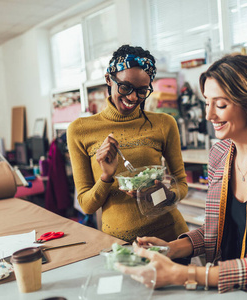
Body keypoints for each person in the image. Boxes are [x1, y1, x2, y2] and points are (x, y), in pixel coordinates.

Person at [117, 53, 247, 299]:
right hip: (230, 290)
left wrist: (183, 275)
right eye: (207, 102)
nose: (209, 115)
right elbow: (216, 230)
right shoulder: (220, 153)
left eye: (220, 105)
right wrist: (171, 248)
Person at [67, 45, 189, 243]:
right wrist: (106, 177)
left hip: (169, 239)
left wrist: (162, 195)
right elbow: (87, 206)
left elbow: (181, 184)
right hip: (121, 244)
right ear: (108, 79)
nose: (133, 98)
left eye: (142, 91)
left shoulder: (164, 123)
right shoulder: (80, 130)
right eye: (125, 87)